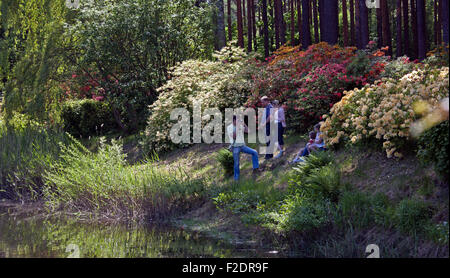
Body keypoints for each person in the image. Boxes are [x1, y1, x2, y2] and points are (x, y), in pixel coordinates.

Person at [227, 115, 260, 181]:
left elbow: (248, 131)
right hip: (235, 147)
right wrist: (237, 127)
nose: (239, 121)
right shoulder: (229, 127)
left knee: (254, 152)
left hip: (243, 146)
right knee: (236, 163)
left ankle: (255, 169)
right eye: (237, 120)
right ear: (233, 120)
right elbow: (233, 136)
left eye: (239, 120)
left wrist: (244, 123)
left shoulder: (240, 125)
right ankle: (236, 178)